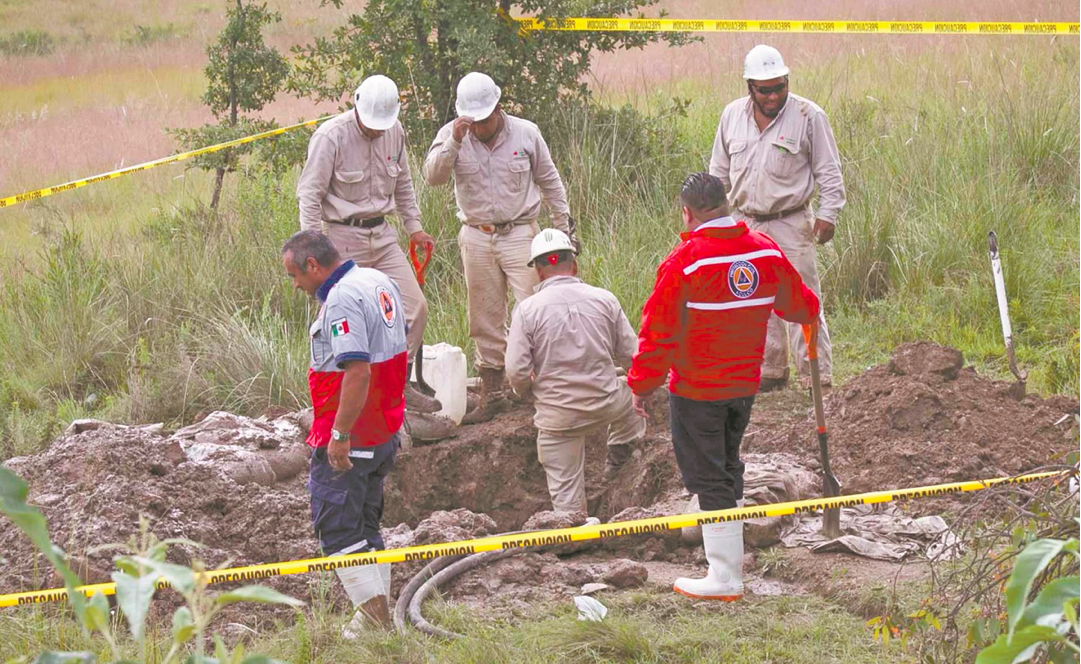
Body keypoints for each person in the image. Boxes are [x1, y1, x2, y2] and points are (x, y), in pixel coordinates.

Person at [628, 173, 820, 601]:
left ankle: (726, 577)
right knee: (728, 464)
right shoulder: (764, 250)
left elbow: (658, 333)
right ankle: (728, 559)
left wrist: (641, 384)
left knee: (708, 475)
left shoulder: (685, 262)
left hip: (697, 389)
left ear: (687, 212)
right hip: (744, 386)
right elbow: (802, 305)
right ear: (726, 203)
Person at [297, 74, 447, 434]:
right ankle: (339, 400)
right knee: (345, 321)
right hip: (341, 239)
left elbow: (405, 185)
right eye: (371, 126)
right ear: (356, 106)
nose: (377, 131)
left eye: (383, 125)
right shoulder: (331, 136)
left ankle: (398, 386)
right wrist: (314, 247)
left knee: (414, 309)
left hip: (382, 235)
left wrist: (414, 227)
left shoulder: (395, 131)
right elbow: (310, 194)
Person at [423, 72, 574, 424]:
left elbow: (550, 181)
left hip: (520, 231)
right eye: (471, 122)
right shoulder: (453, 135)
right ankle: (493, 391)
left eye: (484, 120)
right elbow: (433, 177)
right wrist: (455, 143)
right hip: (476, 233)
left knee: (535, 306)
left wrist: (564, 229)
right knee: (484, 314)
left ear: (499, 108)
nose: (478, 127)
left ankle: (541, 384)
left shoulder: (526, 133)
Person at [281, 230, 408, 634]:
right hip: (383, 426)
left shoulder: (340, 300)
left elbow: (356, 371)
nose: (296, 285)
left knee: (336, 528)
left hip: (357, 433)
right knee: (365, 526)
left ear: (313, 266)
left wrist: (339, 435)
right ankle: (377, 620)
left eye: (294, 275)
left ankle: (375, 620)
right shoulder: (376, 279)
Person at [708, 45, 845, 392]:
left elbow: (829, 172)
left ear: (787, 80)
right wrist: (713, 221)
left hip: (791, 220)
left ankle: (816, 374)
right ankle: (770, 368)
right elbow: (718, 173)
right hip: (744, 221)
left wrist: (828, 214)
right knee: (753, 294)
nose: (773, 96)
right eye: (764, 89)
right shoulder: (731, 116)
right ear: (749, 87)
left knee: (803, 298)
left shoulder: (808, 115)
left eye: (779, 86)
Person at [505, 229, 645, 514]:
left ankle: (574, 532)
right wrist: (645, 388)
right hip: (607, 403)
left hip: (559, 420)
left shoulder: (527, 310)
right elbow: (633, 358)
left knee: (566, 503)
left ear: (539, 272)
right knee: (632, 399)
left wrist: (528, 391)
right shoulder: (605, 299)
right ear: (575, 265)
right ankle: (621, 460)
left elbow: (517, 372)